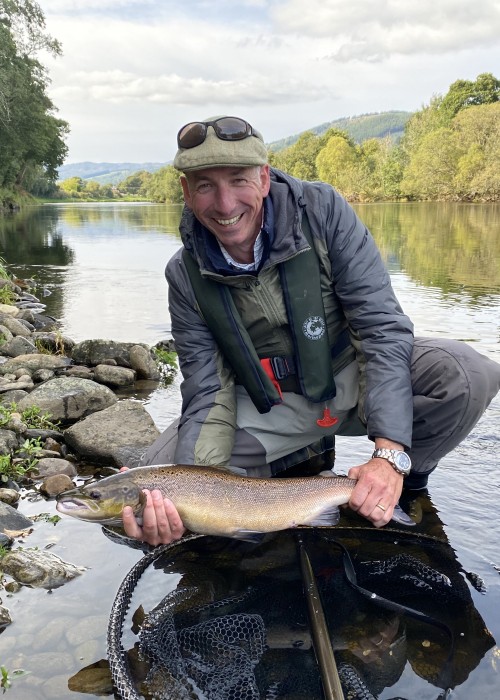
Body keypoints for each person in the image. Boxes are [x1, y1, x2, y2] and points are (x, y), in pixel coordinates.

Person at [122, 115, 500, 546]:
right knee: (151, 492)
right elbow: (208, 390)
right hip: (268, 404)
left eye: (239, 180)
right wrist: (186, 492)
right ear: (187, 193)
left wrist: (391, 452)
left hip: (351, 381)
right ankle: (290, 474)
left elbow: (381, 330)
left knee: (469, 375)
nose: (225, 205)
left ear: (264, 178)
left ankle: (404, 486)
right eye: (205, 186)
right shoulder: (184, 274)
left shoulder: (324, 214)